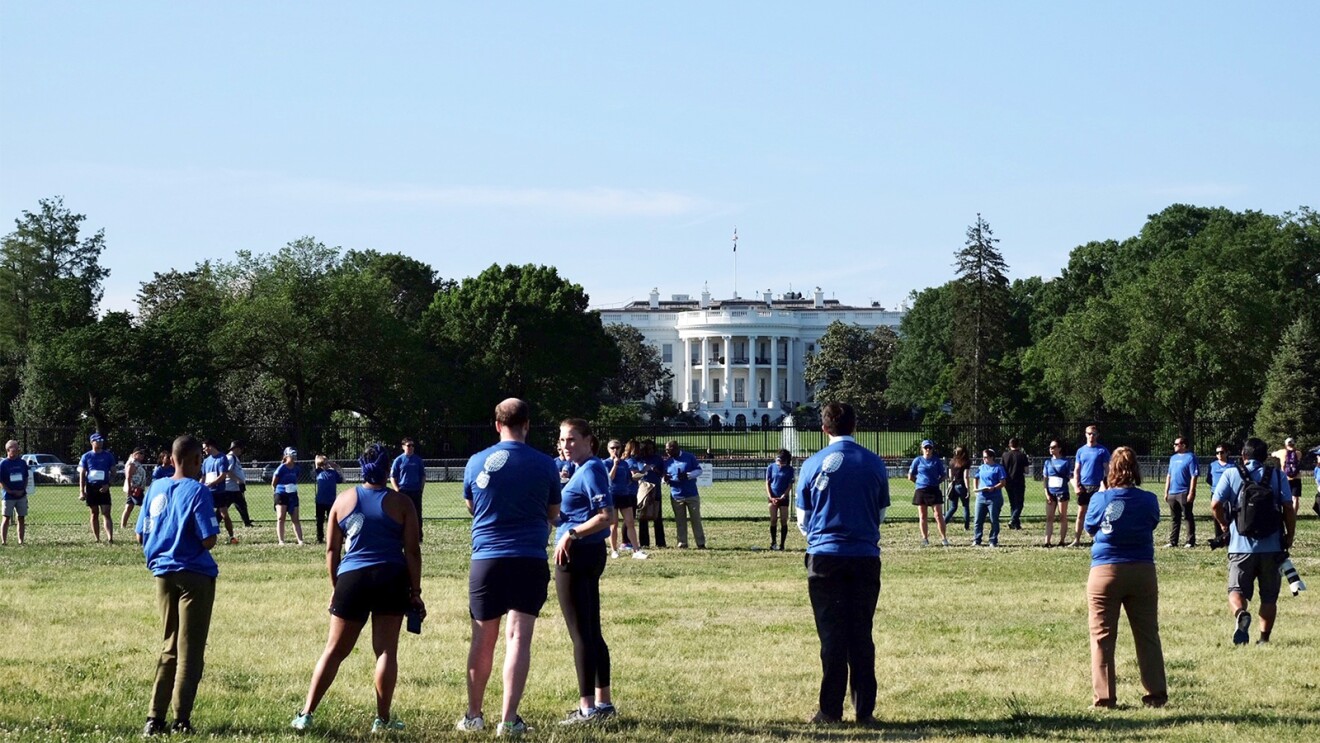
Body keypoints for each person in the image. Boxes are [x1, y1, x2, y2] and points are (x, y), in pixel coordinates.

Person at [291, 444, 425, 734]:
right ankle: (383, 719)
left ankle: (306, 713)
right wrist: (415, 592)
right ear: (389, 468)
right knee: (386, 651)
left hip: (352, 579)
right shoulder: (402, 503)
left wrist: (336, 587)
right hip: (391, 577)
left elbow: (331, 551)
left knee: (334, 650)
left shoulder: (343, 500)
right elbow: (412, 551)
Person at [457, 398, 561, 737]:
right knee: (518, 638)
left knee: (482, 640)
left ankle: (474, 715)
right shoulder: (546, 464)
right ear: (527, 424)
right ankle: (509, 719)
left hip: (486, 558)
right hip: (528, 559)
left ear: (496, 424)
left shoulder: (475, 462)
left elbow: (472, 505)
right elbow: (552, 512)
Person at [796, 402, 889, 725]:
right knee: (861, 634)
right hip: (863, 555)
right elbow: (880, 514)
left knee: (832, 635)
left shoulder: (811, 465)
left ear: (824, 429)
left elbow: (803, 521)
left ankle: (830, 710)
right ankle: (865, 710)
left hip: (825, 557)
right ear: (855, 426)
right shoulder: (874, 463)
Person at [137, 435, 219, 737]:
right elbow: (208, 538)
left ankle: (154, 718)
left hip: (162, 573)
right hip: (194, 575)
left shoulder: (155, 488)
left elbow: (140, 535)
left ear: (171, 458)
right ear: (197, 460)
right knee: (190, 650)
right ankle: (181, 719)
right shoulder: (198, 491)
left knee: (168, 645)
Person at [1084, 446, 1166, 709]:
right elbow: (1152, 522)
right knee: (1147, 635)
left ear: (1111, 471)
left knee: (1102, 637)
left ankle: (1105, 699)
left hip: (1105, 569)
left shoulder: (1100, 499)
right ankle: (1155, 695)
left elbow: (1089, 528)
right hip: (1142, 569)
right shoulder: (1149, 499)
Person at [553, 419, 618, 726]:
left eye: (572, 439)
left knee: (581, 633)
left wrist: (572, 534)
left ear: (589, 440)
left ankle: (586, 709)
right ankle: (603, 703)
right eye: (563, 440)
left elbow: (607, 516)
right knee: (592, 630)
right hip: (586, 552)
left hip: (577, 554)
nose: (566, 445)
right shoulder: (581, 469)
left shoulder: (590, 469)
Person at [1211, 437, 1297, 646]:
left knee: (1236, 590)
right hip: (1272, 546)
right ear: (1265, 456)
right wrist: (1289, 535)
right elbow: (1288, 507)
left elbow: (1215, 505)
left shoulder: (1231, 473)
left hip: (1240, 546)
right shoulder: (1277, 475)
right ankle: (1264, 639)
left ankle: (1241, 613)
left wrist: (1224, 525)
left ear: (1243, 455)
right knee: (1269, 597)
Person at [1070, 425, 1111, 548]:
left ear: (1097, 435)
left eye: (1093, 434)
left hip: (1098, 487)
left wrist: (1107, 485)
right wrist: (1076, 486)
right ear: (1085, 434)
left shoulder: (1102, 451)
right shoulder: (1081, 451)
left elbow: (1107, 470)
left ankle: (1097, 539)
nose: (1091, 436)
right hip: (1084, 487)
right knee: (1081, 513)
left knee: (1099, 514)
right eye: (1089, 433)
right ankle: (1076, 539)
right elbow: (1077, 470)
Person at [663, 440, 705, 549]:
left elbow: (699, 471)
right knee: (680, 521)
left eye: (669, 449)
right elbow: (663, 478)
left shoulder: (689, 457)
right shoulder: (668, 461)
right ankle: (682, 543)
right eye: (666, 450)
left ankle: (700, 543)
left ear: (676, 448)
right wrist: (665, 479)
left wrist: (688, 475)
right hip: (676, 495)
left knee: (696, 519)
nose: (667, 452)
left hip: (691, 494)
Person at [908, 440, 948, 547]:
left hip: (934, 489)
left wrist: (937, 482)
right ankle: (925, 539)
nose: (928, 450)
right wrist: (919, 482)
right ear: (922, 449)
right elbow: (910, 476)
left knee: (938, 515)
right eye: (926, 448)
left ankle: (944, 538)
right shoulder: (918, 460)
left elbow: (943, 475)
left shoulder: (936, 461)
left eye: (930, 448)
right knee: (923, 516)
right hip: (921, 490)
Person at [80, 433, 118, 543]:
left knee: (106, 512)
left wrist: (108, 484)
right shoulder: (86, 456)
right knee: (94, 512)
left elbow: (114, 472)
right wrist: (82, 491)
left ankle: (110, 538)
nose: (100, 442)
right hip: (91, 487)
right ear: (92, 442)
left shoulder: (108, 455)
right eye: (97, 441)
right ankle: (97, 538)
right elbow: (82, 474)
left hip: (104, 487)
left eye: (101, 440)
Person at [604, 440, 638, 559]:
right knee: (613, 524)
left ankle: (636, 550)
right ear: (608, 449)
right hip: (612, 495)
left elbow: (629, 478)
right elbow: (609, 479)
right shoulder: (606, 463)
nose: (615, 450)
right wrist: (615, 465)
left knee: (630, 522)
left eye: (617, 447)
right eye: (612, 448)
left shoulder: (625, 464)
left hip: (624, 494)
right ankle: (614, 550)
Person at [1164, 437, 1200, 548]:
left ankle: (1190, 541)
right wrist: (1166, 492)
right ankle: (1173, 541)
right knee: (1174, 518)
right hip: (1172, 492)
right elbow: (1169, 475)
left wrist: (1191, 492)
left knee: (1187, 516)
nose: (1174, 446)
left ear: (1183, 445)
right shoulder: (1173, 458)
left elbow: (1194, 476)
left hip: (1184, 492)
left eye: (1176, 444)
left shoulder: (1191, 457)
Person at [390, 438, 426, 541]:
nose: (411, 447)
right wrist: (397, 490)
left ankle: (418, 536)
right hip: (403, 491)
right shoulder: (399, 460)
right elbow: (393, 477)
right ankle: (401, 535)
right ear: (403, 447)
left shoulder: (418, 460)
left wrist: (421, 488)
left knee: (417, 514)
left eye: (412, 445)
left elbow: (423, 476)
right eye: (408, 445)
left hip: (415, 491)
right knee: (401, 514)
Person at [632, 440, 666, 549]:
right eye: (647, 449)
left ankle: (660, 543)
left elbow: (663, 473)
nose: (650, 451)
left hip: (656, 490)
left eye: (651, 448)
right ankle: (644, 543)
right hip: (643, 491)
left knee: (657, 517)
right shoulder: (637, 459)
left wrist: (655, 470)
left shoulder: (658, 459)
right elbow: (634, 474)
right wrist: (643, 470)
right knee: (643, 517)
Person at [201, 440, 234, 545]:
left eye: (205, 447)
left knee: (224, 514)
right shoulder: (206, 461)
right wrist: (199, 486)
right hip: (208, 492)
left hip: (219, 492)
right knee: (208, 515)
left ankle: (231, 536)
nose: (203, 450)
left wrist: (211, 484)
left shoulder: (222, 458)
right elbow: (203, 477)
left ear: (210, 446)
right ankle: (209, 537)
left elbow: (223, 475)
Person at [1041, 440, 1073, 547]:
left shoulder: (1065, 462)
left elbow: (1070, 476)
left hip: (1062, 492)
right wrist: (1046, 493)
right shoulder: (1047, 462)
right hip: (1051, 492)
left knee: (1062, 516)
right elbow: (1045, 479)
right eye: (1050, 447)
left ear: (1059, 449)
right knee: (1049, 517)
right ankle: (1047, 541)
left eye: (1054, 447)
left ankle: (1062, 540)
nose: (1051, 449)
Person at [272, 447, 305, 545]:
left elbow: (296, 478)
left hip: (293, 495)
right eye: (292, 456)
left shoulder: (296, 468)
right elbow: (274, 482)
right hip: (281, 494)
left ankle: (300, 540)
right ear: (286, 456)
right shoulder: (282, 467)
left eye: (295, 456)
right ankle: (281, 541)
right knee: (281, 518)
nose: (294, 458)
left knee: (295, 518)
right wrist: (276, 492)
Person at [974, 449, 1007, 548]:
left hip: (994, 498)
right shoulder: (981, 468)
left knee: (994, 520)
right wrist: (976, 489)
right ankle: (977, 539)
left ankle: (993, 540)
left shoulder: (998, 468)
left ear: (992, 457)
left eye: (986, 457)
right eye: (983, 457)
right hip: (981, 497)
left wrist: (994, 488)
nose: (984, 459)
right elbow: (976, 477)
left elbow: (1003, 483)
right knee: (978, 520)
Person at [1, 440, 30, 545]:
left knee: (21, 518)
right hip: (8, 496)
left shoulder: (22, 462)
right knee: (6, 517)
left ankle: (21, 541)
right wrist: (9, 491)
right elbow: (1, 481)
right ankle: (4, 541)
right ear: (9, 450)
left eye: (18, 448)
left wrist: (23, 490)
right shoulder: (3, 464)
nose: (18, 450)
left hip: (21, 495)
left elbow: (26, 477)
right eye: (15, 448)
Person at [766, 449, 795, 551]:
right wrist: (770, 496)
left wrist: (784, 495)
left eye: (782, 461)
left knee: (783, 520)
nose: (780, 464)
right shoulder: (771, 467)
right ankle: (773, 543)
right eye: (779, 461)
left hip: (783, 498)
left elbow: (790, 484)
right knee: (773, 519)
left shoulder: (790, 469)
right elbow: (768, 483)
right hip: (773, 497)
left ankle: (782, 544)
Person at [313, 455, 344, 545]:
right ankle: (320, 538)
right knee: (320, 520)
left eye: (326, 463)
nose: (324, 465)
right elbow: (317, 463)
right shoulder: (319, 472)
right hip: (320, 501)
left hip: (331, 501)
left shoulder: (333, 472)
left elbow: (342, 480)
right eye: (323, 464)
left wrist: (335, 466)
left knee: (333, 520)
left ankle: (335, 537)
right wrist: (318, 459)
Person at [1002, 438, 1031, 530]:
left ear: (1009, 445)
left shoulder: (1005, 455)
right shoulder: (1022, 455)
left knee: (1013, 503)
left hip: (1008, 481)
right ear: (1019, 445)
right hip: (1019, 481)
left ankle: (1016, 524)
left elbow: (1002, 469)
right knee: (1019, 504)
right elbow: (1026, 471)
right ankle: (1013, 520)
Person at [224, 441, 254, 528]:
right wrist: (238, 480)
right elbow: (227, 471)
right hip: (230, 488)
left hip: (236, 488)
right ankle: (215, 522)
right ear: (236, 448)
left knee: (242, 505)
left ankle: (247, 523)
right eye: (240, 449)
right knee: (223, 508)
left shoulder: (234, 458)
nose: (241, 451)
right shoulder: (230, 458)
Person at [943, 446, 972, 530]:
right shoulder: (966, 462)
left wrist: (951, 483)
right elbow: (965, 476)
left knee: (953, 507)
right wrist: (968, 489)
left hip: (954, 485)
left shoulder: (952, 462)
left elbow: (950, 476)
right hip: (962, 485)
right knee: (965, 506)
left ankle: (944, 522)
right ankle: (966, 526)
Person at [1207, 443, 1233, 540]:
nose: (1219, 455)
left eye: (1222, 452)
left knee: (1228, 515)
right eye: (1217, 453)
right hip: (1215, 493)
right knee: (1216, 514)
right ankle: (1218, 537)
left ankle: (1228, 536)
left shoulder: (1232, 465)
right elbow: (1209, 479)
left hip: (1228, 494)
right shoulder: (1212, 465)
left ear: (1227, 453)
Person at [121, 448, 151, 529]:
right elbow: (128, 476)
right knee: (144, 507)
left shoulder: (137, 463)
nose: (142, 455)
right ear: (134, 454)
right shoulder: (132, 463)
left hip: (138, 488)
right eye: (140, 453)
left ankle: (123, 525)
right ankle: (144, 525)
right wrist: (130, 488)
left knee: (129, 507)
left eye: (143, 454)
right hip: (134, 489)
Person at [1274, 437, 1303, 512]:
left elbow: (1273, 454)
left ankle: (1285, 513)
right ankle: (1294, 514)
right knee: (1295, 497)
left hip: (1285, 478)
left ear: (1286, 444)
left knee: (1284, 497)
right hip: (1297, 477)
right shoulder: (1298, 453)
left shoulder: (1282, 452)